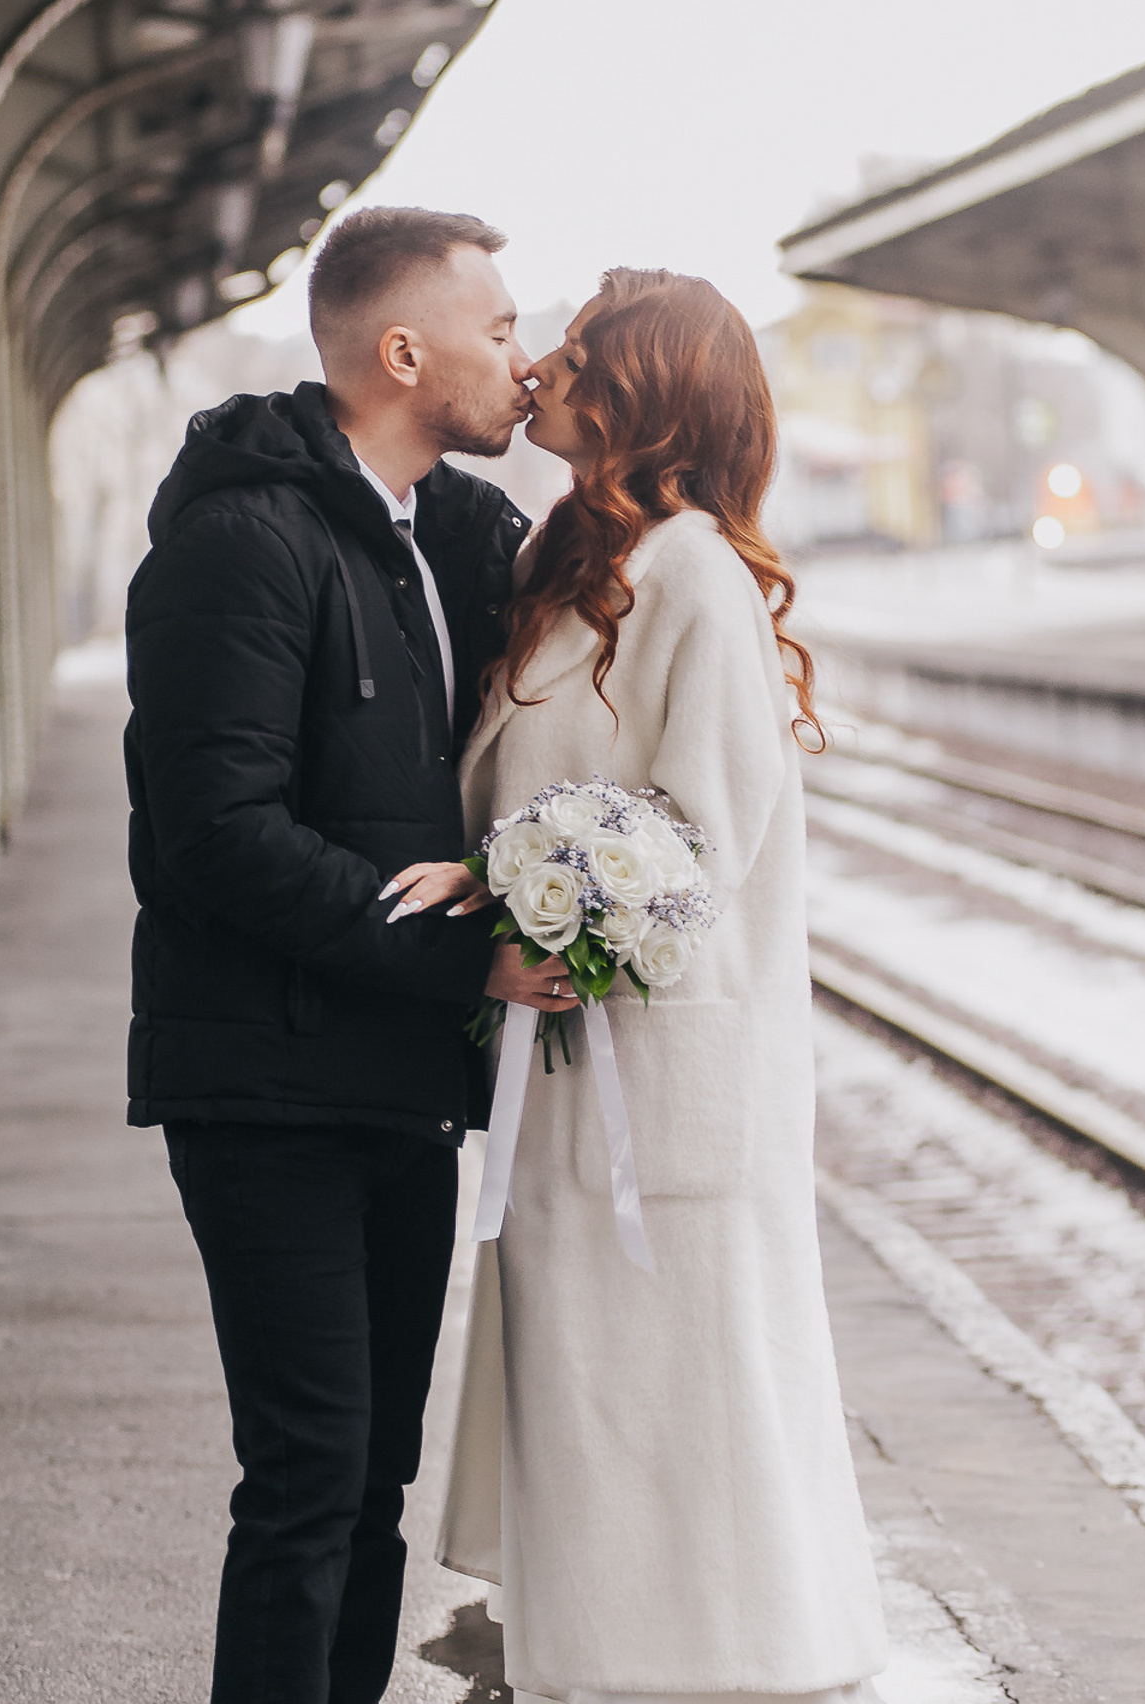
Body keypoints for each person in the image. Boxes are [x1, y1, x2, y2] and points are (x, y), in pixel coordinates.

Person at [388, 270, 889, 1703]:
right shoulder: (579, 557)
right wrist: (495, 883)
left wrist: (559, 906)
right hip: (573, 1054)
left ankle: (710, 1666)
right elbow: (557, 797)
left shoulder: (697, 577)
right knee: (595, 1379)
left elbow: (702, 835)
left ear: (638, 390)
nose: (539, 366)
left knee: (685, 1387)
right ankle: (590, 1653)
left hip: (658, 1065)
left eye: (576, 351)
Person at [124, 207, 575, 1704]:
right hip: (265, 1084)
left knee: (372, 1479)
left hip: (388, 1082)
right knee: (309, 1478)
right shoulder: (243, 539)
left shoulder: (444, 534)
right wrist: (473, 963)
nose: (525, 357)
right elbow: (214, 833)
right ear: (403, 350)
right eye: (501, 328)